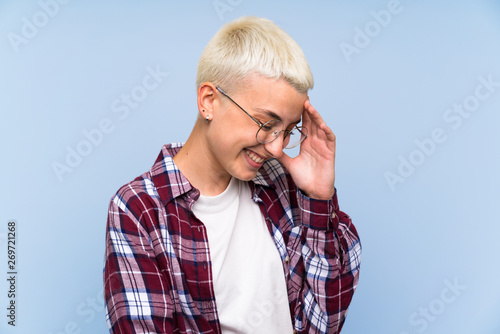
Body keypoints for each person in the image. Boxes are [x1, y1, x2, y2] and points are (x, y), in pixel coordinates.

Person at [103, 16, 361, 334]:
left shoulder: (284, 186)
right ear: (209, 101)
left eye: (288, 131)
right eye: (266, 124)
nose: (277, 147)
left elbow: (326, 323)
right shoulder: (140, 209)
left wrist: (319, 198)